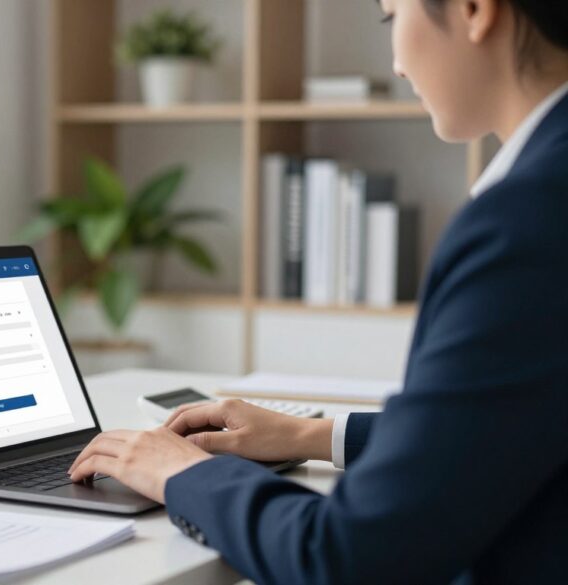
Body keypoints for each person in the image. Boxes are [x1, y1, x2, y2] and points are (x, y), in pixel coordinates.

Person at [68, 0, 568, 582]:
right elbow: (510, 423)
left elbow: (350, 557)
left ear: (475, 9)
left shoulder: (527, 221)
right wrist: (311, 435)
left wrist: (181, 474)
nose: (399, 64)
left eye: (391, 17)